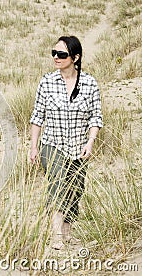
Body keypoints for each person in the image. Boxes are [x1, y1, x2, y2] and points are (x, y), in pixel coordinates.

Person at [29, 36, 103, 250]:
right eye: (54, 53)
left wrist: (90, 142)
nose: (56, 57)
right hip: (53, 144)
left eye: (61, 54)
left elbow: (95, 117)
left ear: (75, 57)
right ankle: (56, 235)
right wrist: (34, 146)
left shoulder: (89, 83)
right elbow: (37, 116)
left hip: (79, 146)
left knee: (76, 189)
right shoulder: (47, 81)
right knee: (57, 186)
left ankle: (67, 232)